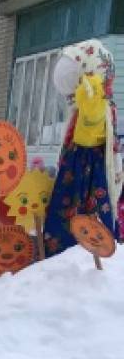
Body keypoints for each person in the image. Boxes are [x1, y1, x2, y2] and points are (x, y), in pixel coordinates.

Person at [44, 39, 122, 254]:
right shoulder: (95, 104)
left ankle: (75, 260)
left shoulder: (97, 104)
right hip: (78, 164)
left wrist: (91, 104)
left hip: (87, 172)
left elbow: (90, 131)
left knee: (82, 217)